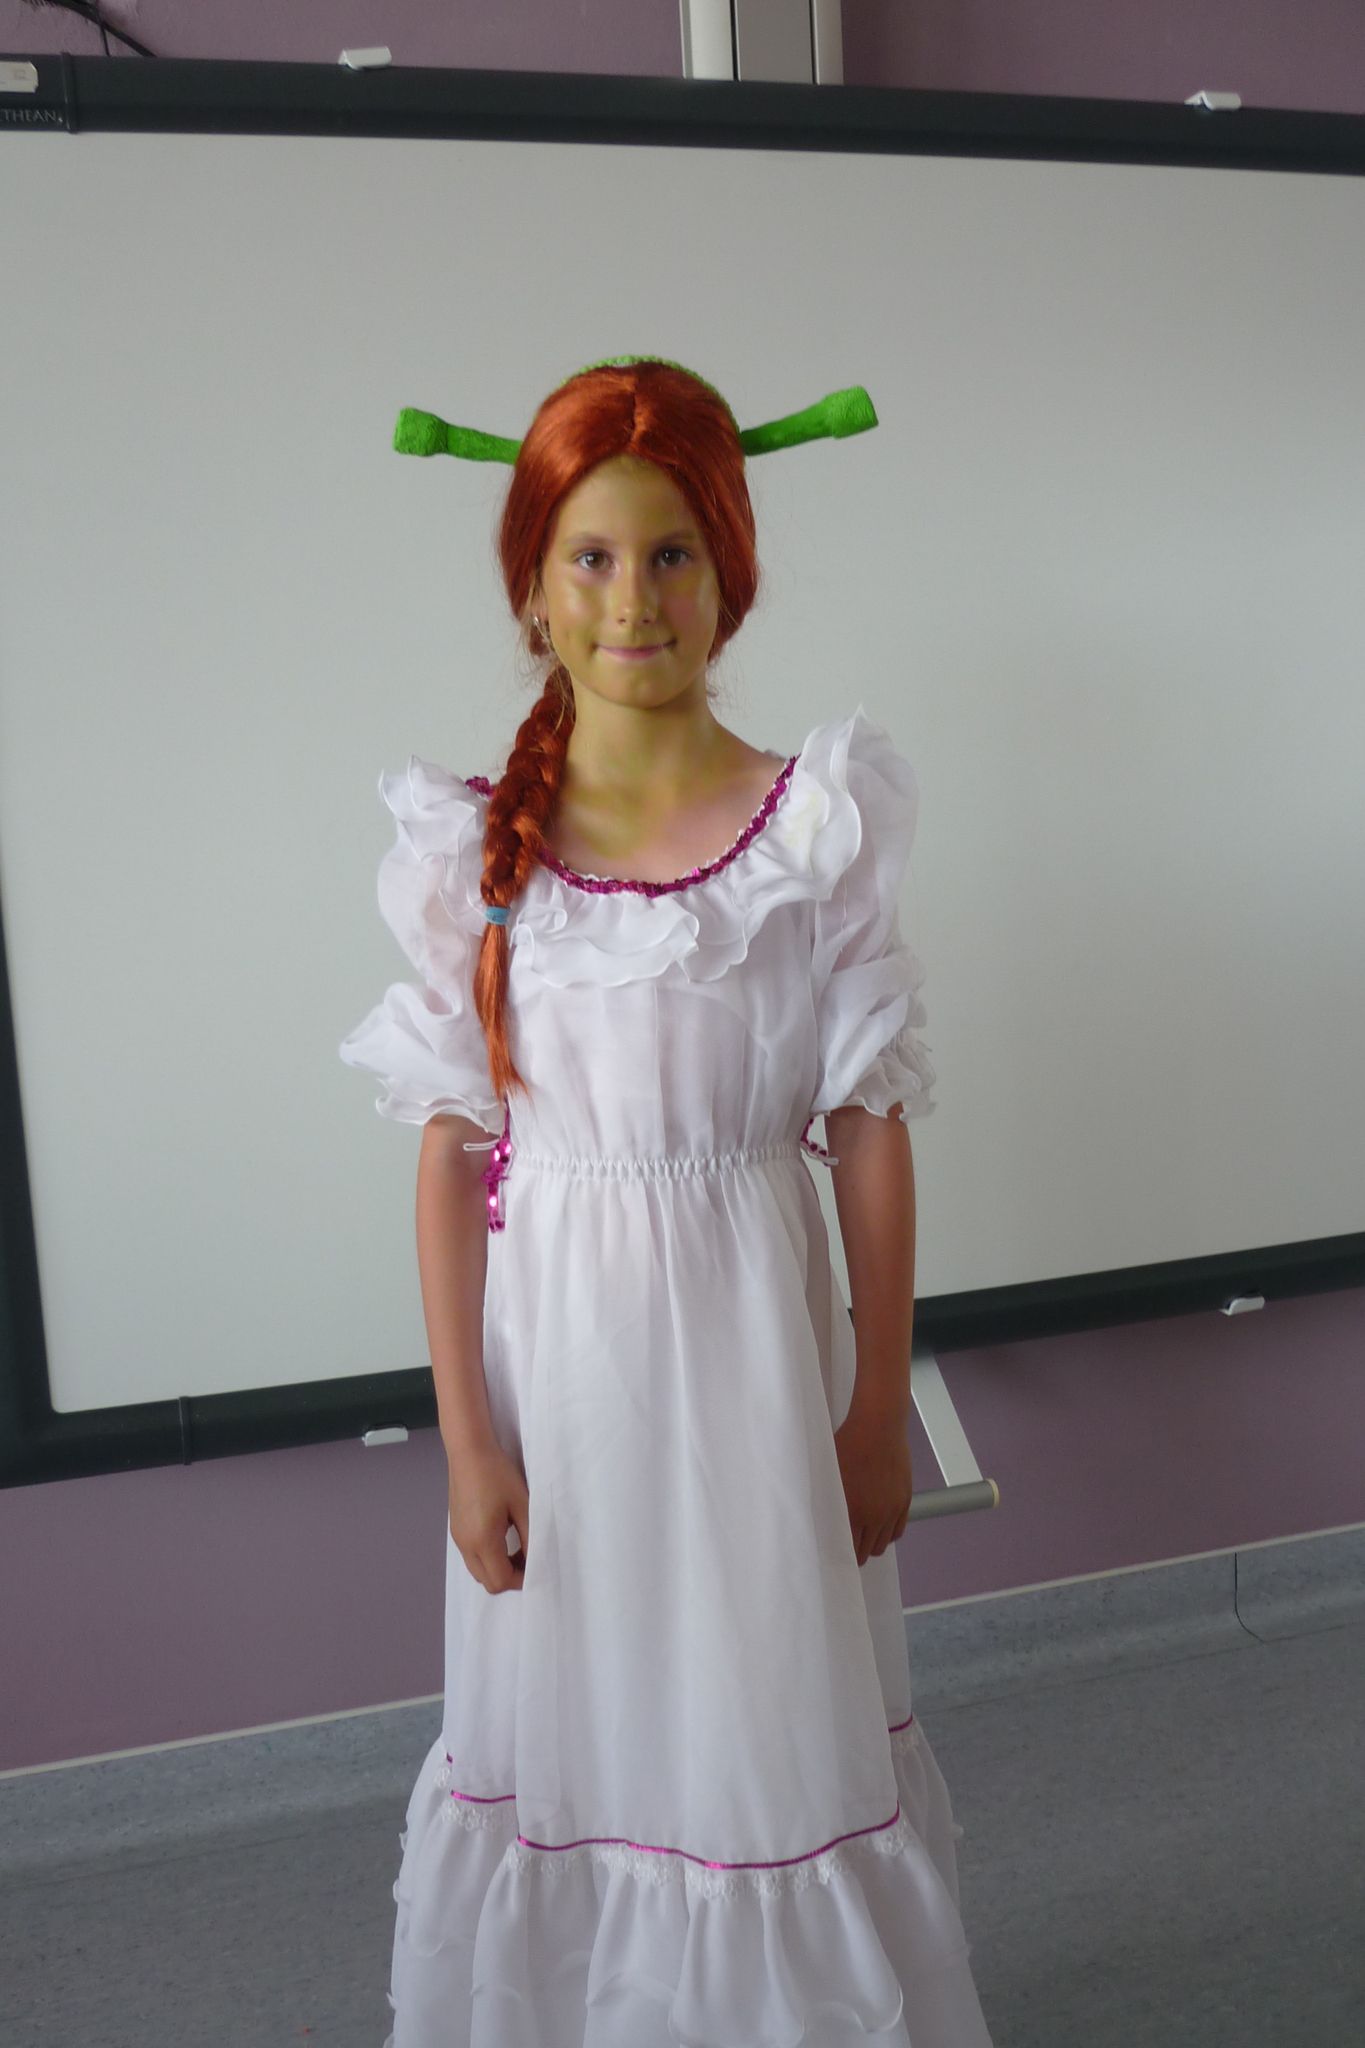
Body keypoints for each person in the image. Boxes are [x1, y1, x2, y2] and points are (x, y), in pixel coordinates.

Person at [339, 358, 993, 2047]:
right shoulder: (475, 849)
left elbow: (867, 1129)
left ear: (730, 577)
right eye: (592, 557)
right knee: (581, 1725)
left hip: (757, 1380)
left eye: (672, 554)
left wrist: (874, 1408)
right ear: (533, 589)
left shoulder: (812, 826)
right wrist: (468, 1443)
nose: (632, 598)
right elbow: (449, 1155)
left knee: (761, 1729)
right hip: (562, 1391)